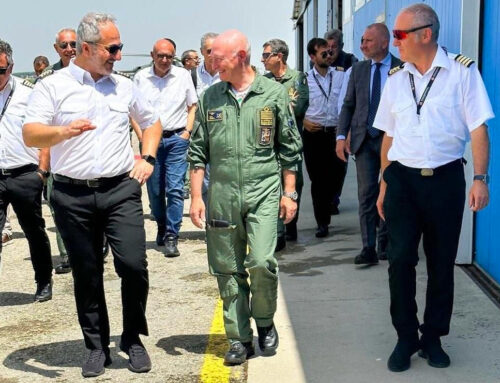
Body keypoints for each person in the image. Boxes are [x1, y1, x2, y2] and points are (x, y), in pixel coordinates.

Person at [23, 13, 162, 377]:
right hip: (72, 195)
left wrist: (147, 158)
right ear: (87, 48)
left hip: (120, 189)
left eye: (120, 47)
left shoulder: (125, 86)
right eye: (112, 48)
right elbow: (31, 134)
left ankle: (132, 338)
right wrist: (63, 132)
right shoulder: (52, 86)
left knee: (134, 265)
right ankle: (96, 346)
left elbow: (152, 122)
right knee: (86, 272)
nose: (118, 54)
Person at [374, 3, 494, 373]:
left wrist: (480, 178)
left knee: (441, 263)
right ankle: (405, 336)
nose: (395, 42)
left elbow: (478, 128)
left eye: (399, 35)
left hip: (444, 180)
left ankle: (433, 338)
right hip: (402, 182)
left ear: (425, 34)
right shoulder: (396, 79)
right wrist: (383, 183)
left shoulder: (462, 73)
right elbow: (388, 136)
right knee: (400, 262)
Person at [188, 29, 302, 365]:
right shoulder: (211, 97)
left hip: (264, 190)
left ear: (240, 57)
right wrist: (196, 196)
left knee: (262, 261)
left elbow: (289, 147)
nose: (212, 63)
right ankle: (239, 337)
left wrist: (289, 192)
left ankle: (264, 322)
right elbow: (198, 151)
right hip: (222, 193)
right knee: (228, 268)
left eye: (218, 58)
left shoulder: (273, 94)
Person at [336, 23, 402, 265]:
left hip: (393, 140)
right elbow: (348, 105)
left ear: (384, 42)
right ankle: (368, 247)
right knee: (366, 194)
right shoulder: (359, 70)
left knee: (391, 191)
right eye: (362, 41)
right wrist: (341, 137)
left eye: (368, 41)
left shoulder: (402, 68)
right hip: (365, 141)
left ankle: (384, 242)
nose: (363, 45)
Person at [134, 38, 197, 257]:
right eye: (160, 55)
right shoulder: (141, 77)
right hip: (150, 142)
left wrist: (186, 133)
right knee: (155, 190)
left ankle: (172, 234)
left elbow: (192, 105)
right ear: (152, 55)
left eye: (169, 56)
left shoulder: (182, 76)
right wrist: (142, 136)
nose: (164, 60)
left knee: (175, 189)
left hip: (175, 140)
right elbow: (132, 110)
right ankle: (161, 224)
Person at [0, 39, 53, 302]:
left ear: (11, 66)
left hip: (24, 173)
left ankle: (43, 280)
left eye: (1, 69)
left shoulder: (28, 92)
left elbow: (43, 132)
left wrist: (42, 172)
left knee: (34, 231)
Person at [262, 38, 308, 249]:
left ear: (278, 56)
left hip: (290, 141)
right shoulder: (265, 81)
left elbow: (298, 107)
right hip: (270, 142)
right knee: (273, 185)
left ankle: (291, 224)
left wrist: (277, 107)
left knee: (293, 183)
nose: (262, 60)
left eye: (265, 55)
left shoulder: (297, 78)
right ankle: (278, 233)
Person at [303, 37, 346, 238]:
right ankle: (322, 223)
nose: (329, 56)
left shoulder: (340, 76)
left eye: (330, 52)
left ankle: (329, 203)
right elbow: (293, 106)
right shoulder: (304, 80)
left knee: (336, 176)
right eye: (324, 53)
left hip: (335, 133)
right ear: (312, 57)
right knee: (318, 180)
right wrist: (303, 120)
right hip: (314, 135)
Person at [324, 29, 359, 214]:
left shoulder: (350, 62)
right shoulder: (321, 61)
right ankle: (325, 198)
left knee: (339, 165)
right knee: (324, 166)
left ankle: (334, 199)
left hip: (342, 123)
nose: (330, 51)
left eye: (334, 47)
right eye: (327, 46)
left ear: (341, 47)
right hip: (323, 123)